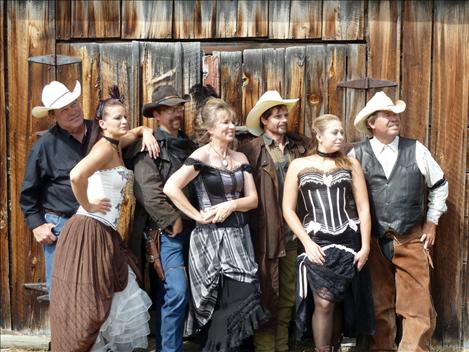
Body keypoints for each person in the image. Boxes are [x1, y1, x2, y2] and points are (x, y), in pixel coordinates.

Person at [49, 86, 157, 351]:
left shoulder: (115, 144)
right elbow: (76, 175)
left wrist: (147, 131)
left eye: (125, 116)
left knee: (115, 293)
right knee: (89, 304)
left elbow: (135, 132)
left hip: (104, 231)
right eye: (117, 117)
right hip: (89, 230)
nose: (123, 121)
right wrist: (87, 203)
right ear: (102, 123)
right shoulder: (104, 149)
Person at [163, 97, 269, 351]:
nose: (231, 127)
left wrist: (231, 205)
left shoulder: (240, 156)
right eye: (225, 123)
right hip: (209, 242)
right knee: (217, 304)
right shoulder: (201, 156)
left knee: (244, 295)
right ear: (210, 128)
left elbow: (252, 200)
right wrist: (197, 215)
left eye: (233, 122)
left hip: (238, 239)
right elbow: (171, 187)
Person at [349, 91, 448, 351]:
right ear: (372, 123)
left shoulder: (416, 149)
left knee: (417, 305)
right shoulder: (356, 155)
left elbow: (439, 185)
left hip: (411, 238)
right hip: (374, 241)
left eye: (396, 114)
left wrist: (431, 221)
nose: (395, 118)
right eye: (388, 114)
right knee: (379, 305)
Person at [282, 114, 373, 352]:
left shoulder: (351, 164)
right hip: (316, 241)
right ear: (319, 135)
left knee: (339, 300)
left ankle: (334, 346)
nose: (341, 137)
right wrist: (306, 242)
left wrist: (365, 246)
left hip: (348, 241)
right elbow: (288, 210)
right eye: (335, 132)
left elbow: (363, 207)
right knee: (323, 302)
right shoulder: (298, 165)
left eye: (342, 132)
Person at [238, 90, 313, 352]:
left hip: (293, 235)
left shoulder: (299, 147)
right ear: (264, 121)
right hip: (264, 235)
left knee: (288, 298)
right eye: (277, 116)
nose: (283, 119)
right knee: (266, 296)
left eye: (284, 115)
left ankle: (282, 347)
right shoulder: (251, 150)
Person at [125, 84, 197, 352]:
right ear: (156, 114)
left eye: (179, 107)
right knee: (175, 291)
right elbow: (147, 190)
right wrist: (171, 219)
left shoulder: (189, 145)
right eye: (169, 109)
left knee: (188, 293)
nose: (176, 113)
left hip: (196, 230)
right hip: (165, 233)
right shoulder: (148, 147)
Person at [20, 80, 92, 292]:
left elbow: (124, 138)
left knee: (97, 292)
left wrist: (144, 131)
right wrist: (36, 225)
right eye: (64, 109)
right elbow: (28, 193)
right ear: (53, 116)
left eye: (74, 103)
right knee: (62, 294)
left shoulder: (99, 132)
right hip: (61, 226)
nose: (73, 111)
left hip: (98, 225)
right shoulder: (44, 147)